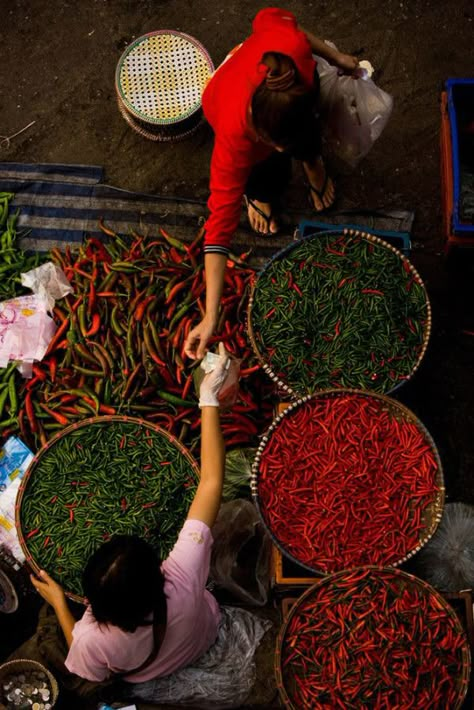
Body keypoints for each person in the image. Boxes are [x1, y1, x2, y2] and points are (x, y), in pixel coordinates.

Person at [30, 346, 269, 705]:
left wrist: (62, 606)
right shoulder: (183, 577)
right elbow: (211, 483)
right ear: (159, 575)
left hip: (151, 670)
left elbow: (85, 667)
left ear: (91, 604)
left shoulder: (92, 638)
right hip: (203, 631)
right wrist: (208, 400)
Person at [184, 7, 359, 361]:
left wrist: (337, 57)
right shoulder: (235, 138)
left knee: (308, 140)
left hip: (286, 93)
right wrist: (211, 315)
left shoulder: (290, 55)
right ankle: (261, 196)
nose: (281, 148)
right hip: (227, 90)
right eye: (279, 145)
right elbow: (219, 226)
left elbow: (281, 22)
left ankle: (311, 162)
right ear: (266, 136)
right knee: (265, 174)